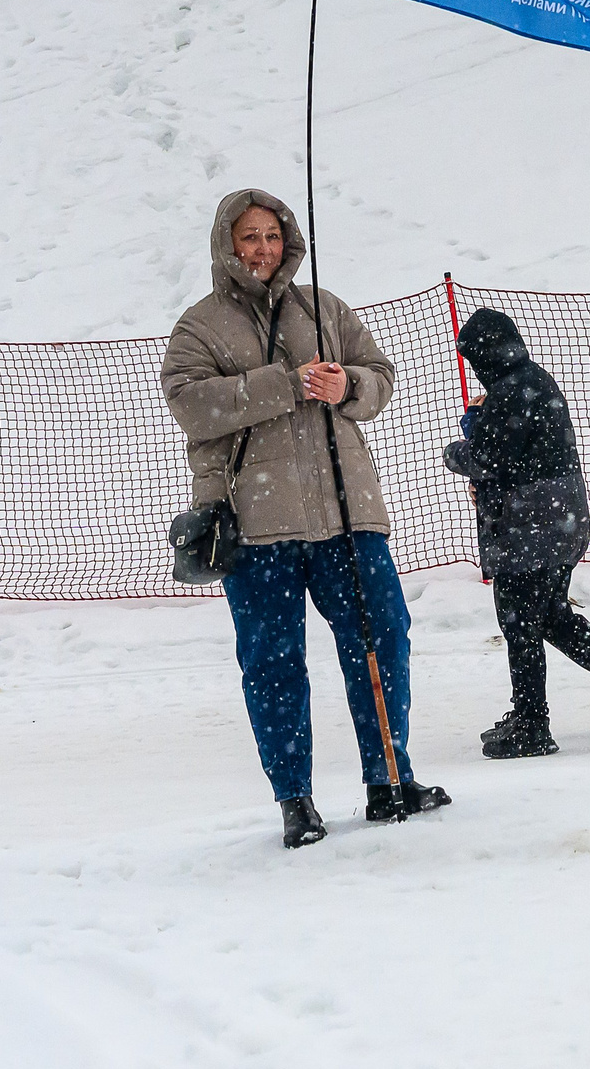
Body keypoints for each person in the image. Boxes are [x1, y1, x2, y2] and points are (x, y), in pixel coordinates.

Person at [161, 188, 450, 848]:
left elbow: (380, 373)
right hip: (257, 523)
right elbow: (191, 405)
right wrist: (284, 384)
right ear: (226, 245)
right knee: (273, 660)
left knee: (382, 639)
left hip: (348, 513)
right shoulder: (199, 326)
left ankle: (389, 778)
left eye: (271, 235)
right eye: (249, 237)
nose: (262, 249)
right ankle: (296, 799)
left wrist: (349, 384)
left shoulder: (325, 308)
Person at [444, 308, 590, 759]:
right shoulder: (531, 379)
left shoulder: (508, 392)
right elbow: (509, 450)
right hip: (561, 518)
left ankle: (532, 725)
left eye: (474, 358)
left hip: (530, 524)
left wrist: (458, 451)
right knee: (549, 617)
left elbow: (487, 459)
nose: (473, 367)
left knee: (520, 622)